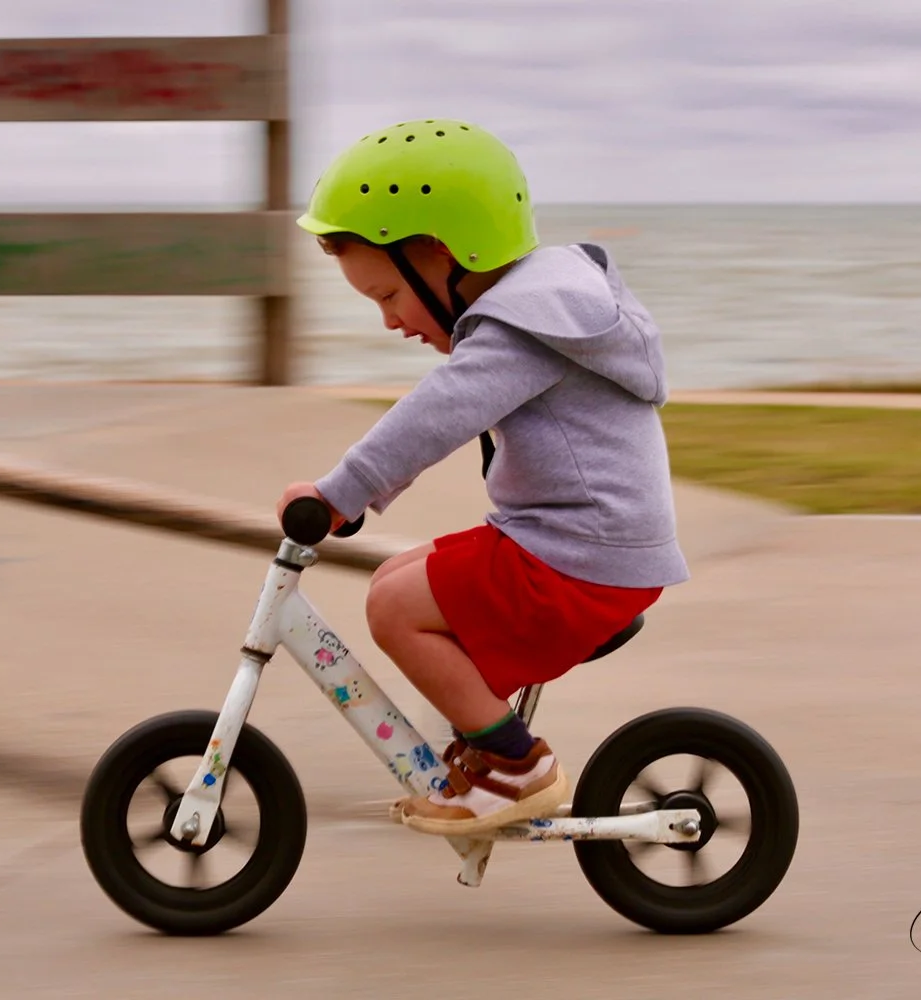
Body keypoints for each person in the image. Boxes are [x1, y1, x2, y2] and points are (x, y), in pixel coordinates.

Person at [277, 118, 689, 836]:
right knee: (401, 575)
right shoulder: (545, 307)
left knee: (395, 608)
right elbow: (446, 413)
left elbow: (435, 415)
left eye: (387, 296)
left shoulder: (521, 331)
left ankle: (516, 767)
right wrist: (360, 498)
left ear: (441, 258)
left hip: (581, 557)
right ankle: (485, 745)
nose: (388, 321)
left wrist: (338, 493)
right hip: (581, 545)